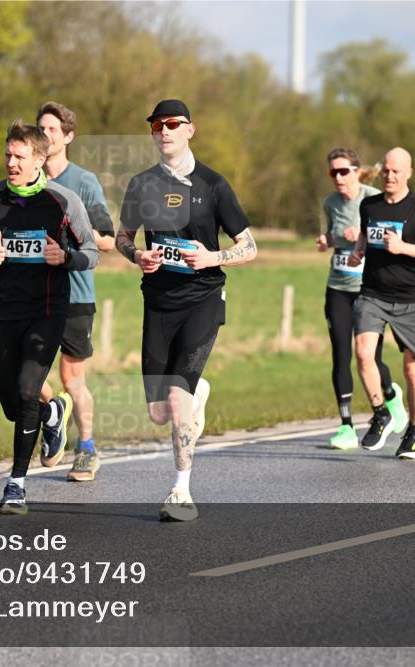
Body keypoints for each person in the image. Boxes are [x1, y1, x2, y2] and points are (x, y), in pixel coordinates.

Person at [116, 99, 257, 521]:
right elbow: (123, 237)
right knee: (158, 413)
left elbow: (249, 247)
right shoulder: (142, 184)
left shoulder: (213, 185)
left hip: (203, 298)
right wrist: (137, 256)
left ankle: (181, 491)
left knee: (176, 400)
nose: (165, 131)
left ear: (190, 130)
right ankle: (196, 395)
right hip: (158, 302)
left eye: (173, 124)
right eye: (157, 125)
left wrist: (211, 259)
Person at [0, 119, 99, 514]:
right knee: (12, 404)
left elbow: (90, 252)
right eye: (7, 154)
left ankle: (16, 484)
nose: (10, 162)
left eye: (19, 156)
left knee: (26, 391)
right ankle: (52, 411)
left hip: (47, 311)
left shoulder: (62, 202)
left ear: (39, 158)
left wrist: (66, 257)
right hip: (4, 312)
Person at [349, 147, 415, 459]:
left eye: (397, 171)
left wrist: (405, 248)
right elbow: (366, 237)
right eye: (387, 170)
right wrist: (358, 250)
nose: (390, 176)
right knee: (364, 354)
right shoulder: (369, 205)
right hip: (372, 293)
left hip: (410, 299)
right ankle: (381, 413)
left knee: (412, 370)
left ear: (408, 173)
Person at [35, 101, 115, 482]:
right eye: (41, 128)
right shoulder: (25, 179)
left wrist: (74, 234)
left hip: (76, 293)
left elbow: (109, 241)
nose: (46, 135)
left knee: (72, 380)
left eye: (52, 129)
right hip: (33, 293)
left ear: (68, 136)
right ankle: (54, 413)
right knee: (26, 374)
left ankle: (86, 448)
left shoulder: (84, 182)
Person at [316, 147, 407, 450]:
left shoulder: (373, 199)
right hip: (338, 287)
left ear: (356, 170)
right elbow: (332, 235)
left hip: (369, 290)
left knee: (369, 357)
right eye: (333, 172)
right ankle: (346, 427)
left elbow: (388, 237)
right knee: (341, 355)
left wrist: (363, 236)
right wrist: (326, 240)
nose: (338, 177)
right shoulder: (330, 203)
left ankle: (391, 397)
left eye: (343, 171)